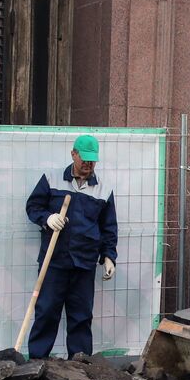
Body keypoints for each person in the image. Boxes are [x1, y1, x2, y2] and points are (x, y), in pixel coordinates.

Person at [24, 134, 118, 359]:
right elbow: (33, 207)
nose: (88, 164)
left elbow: (109, 227)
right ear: (73, 154)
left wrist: (109, 256)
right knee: (46, 311)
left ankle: (80, 364)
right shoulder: (52, 179)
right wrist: (47, 218)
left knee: (81, 316)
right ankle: (37, 361)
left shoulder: (102, 189)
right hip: (54, 259)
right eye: (84, 159)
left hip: (84, 262)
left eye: (92, 161)